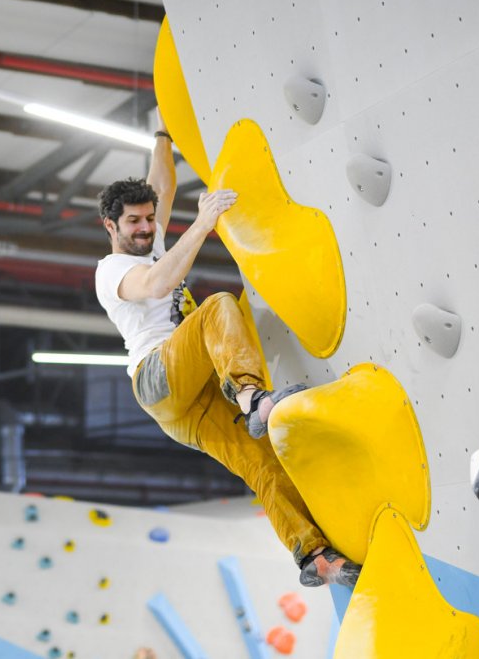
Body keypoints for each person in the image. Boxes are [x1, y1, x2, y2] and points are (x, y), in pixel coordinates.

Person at [93, 125, 360, 588]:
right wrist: (202, 223)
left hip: (191, 397)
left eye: (148, 219)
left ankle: (313, 556)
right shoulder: (112, 269)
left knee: (260, 460)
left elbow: (163, 183)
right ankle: (253, 397)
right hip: (159, 379)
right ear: (110, 225)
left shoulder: (152, 239)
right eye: (133, 223)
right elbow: (155, 285)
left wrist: (162, 134)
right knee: (219, 306)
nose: (144, 229)